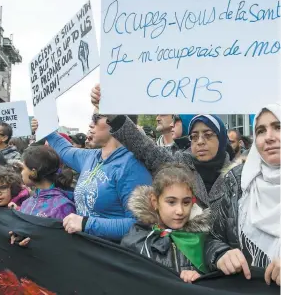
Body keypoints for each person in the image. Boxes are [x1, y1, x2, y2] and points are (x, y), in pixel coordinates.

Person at [91, 85, 230, 222]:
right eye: (194, 136)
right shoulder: (180, 164)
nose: (200, 142)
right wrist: (113, 115)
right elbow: (144, 147)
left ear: (222, 139)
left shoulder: (239, 176)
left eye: (208, 135)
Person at [31, 114, 153, 242]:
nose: (90, 124)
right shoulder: (91, 156)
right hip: (87, 249)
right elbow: (65, 150)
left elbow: (140, 226)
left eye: (96, 117)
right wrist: (45, 128)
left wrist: (86, 224)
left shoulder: (132, 166)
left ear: (118, 121)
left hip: (112, 255)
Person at [204, 103, 280, 287]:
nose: (268, 137)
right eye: (261, 130)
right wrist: (221, 254)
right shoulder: (237, 180)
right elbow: (211, 239)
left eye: (278, 127)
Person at [121, 164, 210, 283]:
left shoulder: (203, 238)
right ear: (155, 201)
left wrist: (200, 278)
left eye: (186, 202)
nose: (180, 211)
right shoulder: (137, 241)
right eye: (171, 202)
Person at [19, 146, 76, 219]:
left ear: (33, 172)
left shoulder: (63, 206)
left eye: (23, 168)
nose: (21, 173)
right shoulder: (26, 203)